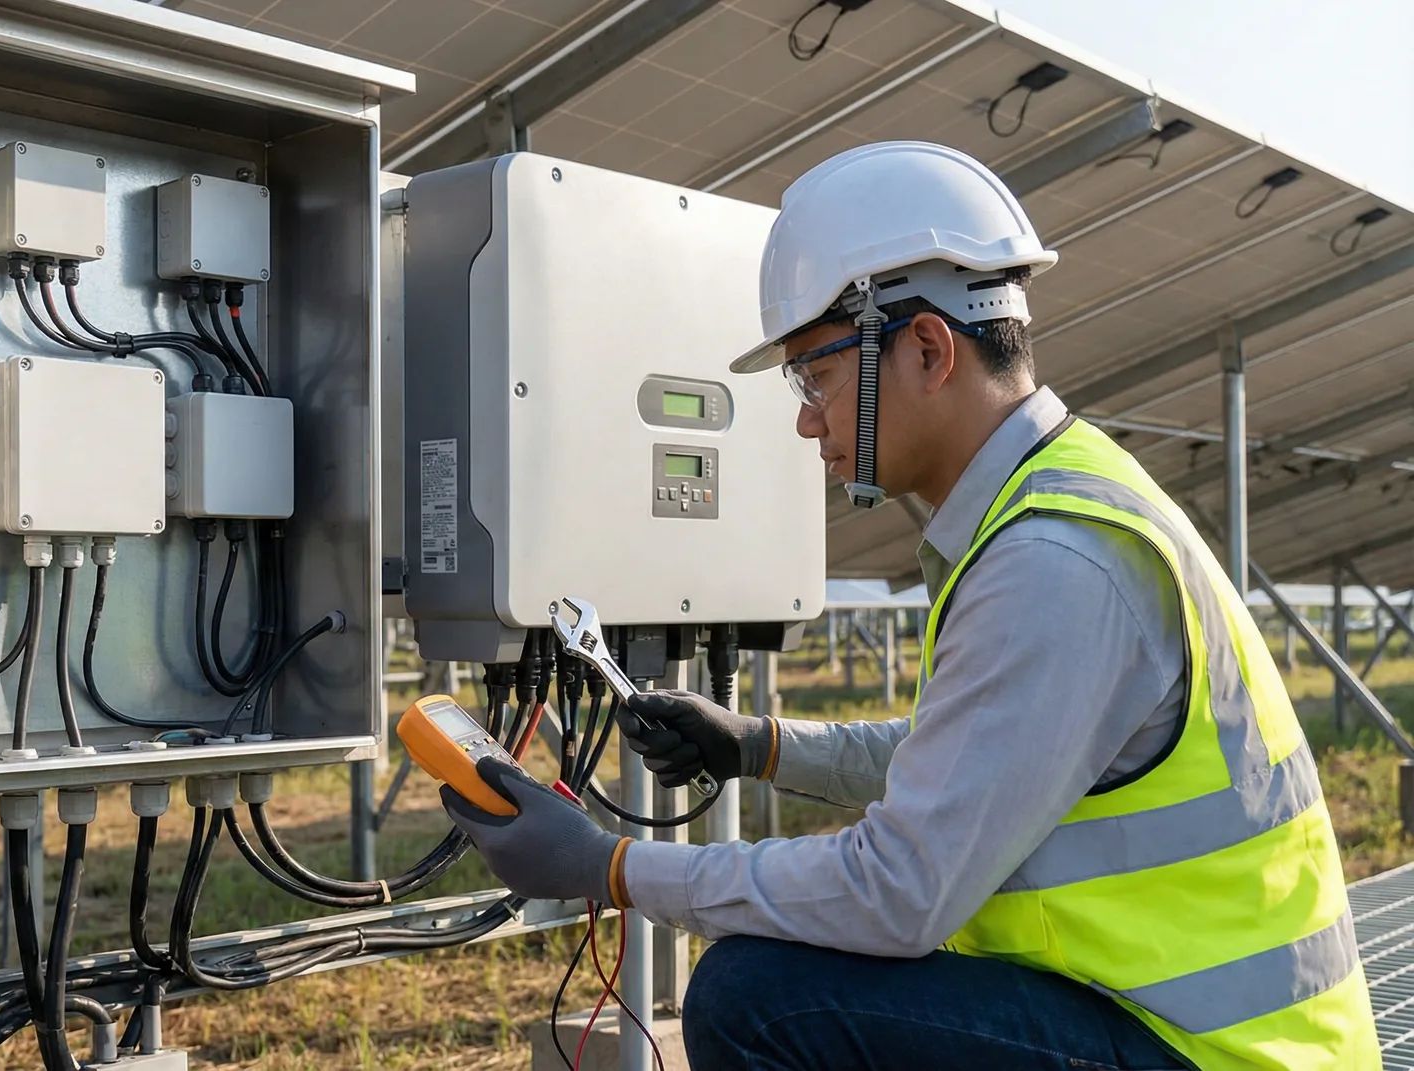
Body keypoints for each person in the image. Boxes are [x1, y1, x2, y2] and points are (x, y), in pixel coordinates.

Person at [441, 141, 1379, 1071]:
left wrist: (611, 867)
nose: (806, 417)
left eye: (815, 375)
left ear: (928, 348)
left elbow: (900, 890)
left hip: (1214, 1054)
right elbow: (971, 756)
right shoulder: (1050, 506)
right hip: (1179, 1024)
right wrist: (758, 742)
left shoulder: (1054, 560)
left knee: (756, 999)